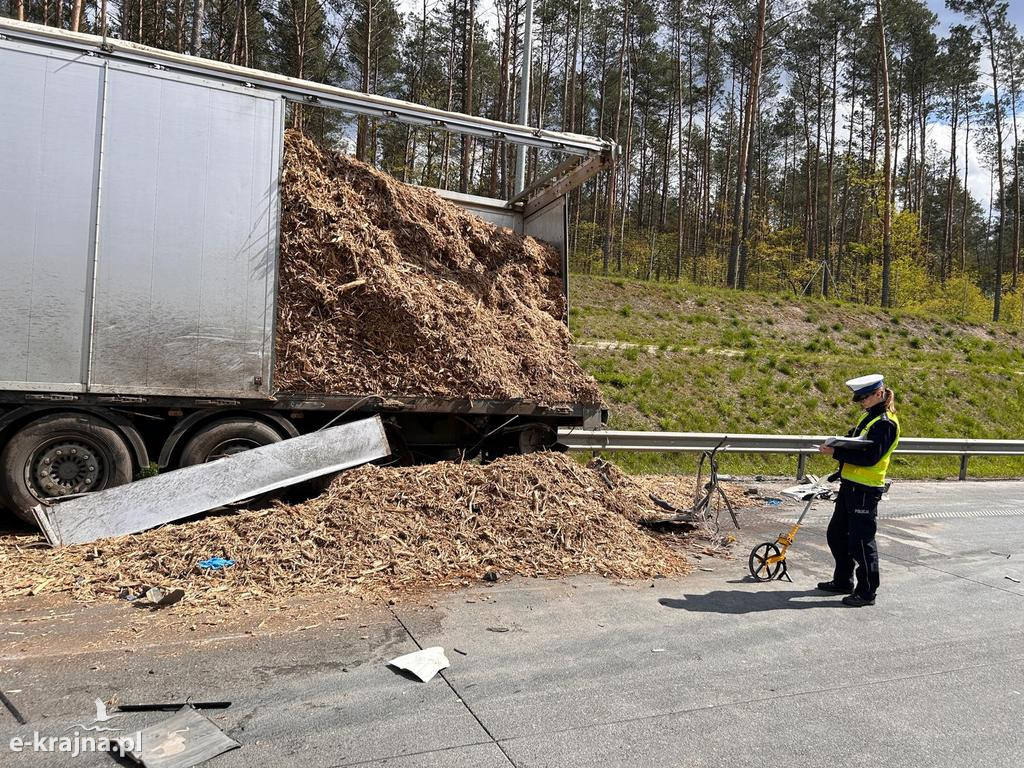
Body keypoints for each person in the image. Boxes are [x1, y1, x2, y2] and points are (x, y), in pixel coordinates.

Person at [816, 374, 900, 607]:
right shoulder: (869, 416)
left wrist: (836, 453)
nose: (861, 402)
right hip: (850, 486)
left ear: (879, 394)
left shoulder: (885, 423)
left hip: (866, 489)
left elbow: (871, 457)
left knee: (862, 542)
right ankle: (843, 581)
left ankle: (866, 592)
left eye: (864, 397)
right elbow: (857, 444)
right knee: (836, 534)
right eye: (859, 398)